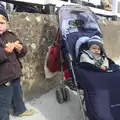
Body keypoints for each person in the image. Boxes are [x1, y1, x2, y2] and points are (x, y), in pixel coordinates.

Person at [0, 5, 35, 120]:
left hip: (15, 75)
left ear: (7, 23)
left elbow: (23, 52)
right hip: (3, 79)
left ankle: (20, 110)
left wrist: (21, 49)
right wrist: (5, 51)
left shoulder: (11, 35)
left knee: (17, 95)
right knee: (3, 103)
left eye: (1, 23)